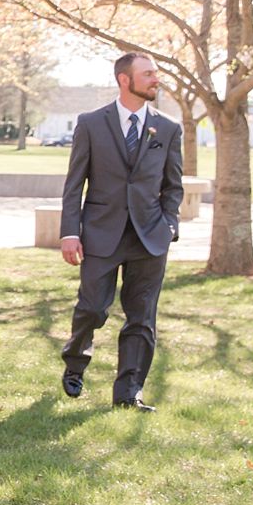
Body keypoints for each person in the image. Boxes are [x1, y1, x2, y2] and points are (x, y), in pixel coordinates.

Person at [58, 53, 183, 411]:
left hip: (150, 238)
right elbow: (74, 184)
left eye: (156, 74)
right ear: (124, 80)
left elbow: (173, 186)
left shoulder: (169, 128)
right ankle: (75, 361)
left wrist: (169, 224)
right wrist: (70, 232)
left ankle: (129, 393)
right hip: (101, 234)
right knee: (93, 308)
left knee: (142, 318)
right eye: (148, 74)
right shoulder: (91, 123)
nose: (155, 80)